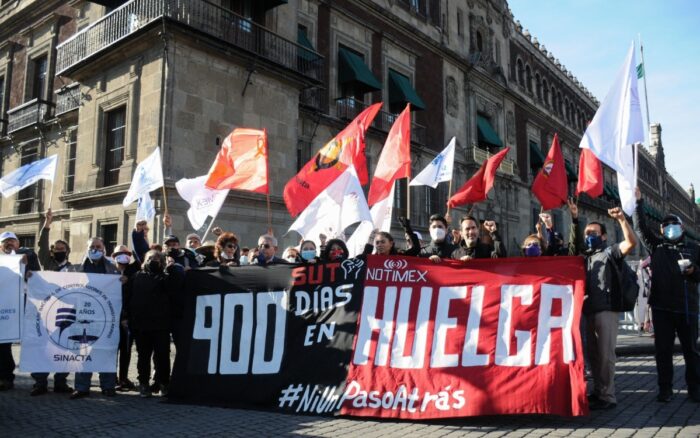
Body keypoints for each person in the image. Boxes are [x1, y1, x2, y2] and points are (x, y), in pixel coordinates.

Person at [633, 188, 700, 403]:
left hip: (688, 308)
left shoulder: (694, 248)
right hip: (662, 308)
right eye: (666, 226)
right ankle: (665, 389)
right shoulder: (657, 247)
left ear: (681, 228)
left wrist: (694, 272)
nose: (670, 228)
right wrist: (639, 203)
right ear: (662, 231)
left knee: (692, 351)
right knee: (663, 351)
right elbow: (640, 228)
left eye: (674, 225)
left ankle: (695, 388)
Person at [569, 199, 636, 410]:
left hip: (607, 310)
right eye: (587, 233)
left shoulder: (611, 252)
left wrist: (622, 220)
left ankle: (608, 395)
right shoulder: (582, 257)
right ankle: (598, 391)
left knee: (606, 355)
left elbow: (631, 243)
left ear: (604, 236)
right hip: (587, 311)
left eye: (594, 233)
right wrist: (574, 218)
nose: (590, 236)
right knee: (593, 355)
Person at [128, 249, 183, 397]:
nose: (154, 260)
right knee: (143, 357)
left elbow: (174, 291)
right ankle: (144, 384)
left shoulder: (166, 278)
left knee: (163, 356)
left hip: (161, 325)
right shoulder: (136, 277)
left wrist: (170, 269)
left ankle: (164, 383)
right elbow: (128, 299)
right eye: (151, 258)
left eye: (158, 258)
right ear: (145, 260)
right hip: (141, 325)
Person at [71, 237, 122, 399]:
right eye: (92, 246)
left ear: (104, 249)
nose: (95, 249)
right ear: (87, 249)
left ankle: (108, 386)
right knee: (84, 352)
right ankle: (81, 387)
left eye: (98, 246)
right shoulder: (76, 269)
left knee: (106, 351)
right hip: (83, 317)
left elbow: (118, 294)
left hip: (106, 318)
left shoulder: (113, 269)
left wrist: (122, 282)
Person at [31, 210, 73, 396]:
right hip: (46, 313)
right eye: (56, 249)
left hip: (66, 314)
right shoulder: (48, 264)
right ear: (52, 252)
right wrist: (47, 225)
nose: (59, 251)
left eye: (62, 249)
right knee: (42, 349)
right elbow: (41, 246)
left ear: (68, 252)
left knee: (65, 347)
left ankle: (60, 381)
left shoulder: (75, 269)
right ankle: (40, 383)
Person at [0, 231, 39, 391]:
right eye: (5, 241)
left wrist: (29, 271)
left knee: (33, 342)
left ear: (18, 244)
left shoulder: (28, 257)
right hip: (5, 309)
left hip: (26, 307)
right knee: (3, 345)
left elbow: (38, 276)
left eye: (12, 241)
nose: (9, 244)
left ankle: (40, 379)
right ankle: (5, 377)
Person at [112, 246, 140, 392]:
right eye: (120, 253)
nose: (123, 256)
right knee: (111, 350)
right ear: (114, 256)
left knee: (126, 350)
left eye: (127, 253)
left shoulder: (133, 272)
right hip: (110, 319)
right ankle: (111, 377)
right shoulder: (108, 272)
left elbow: (141, 253)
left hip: (126, 319)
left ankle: (123, 378)